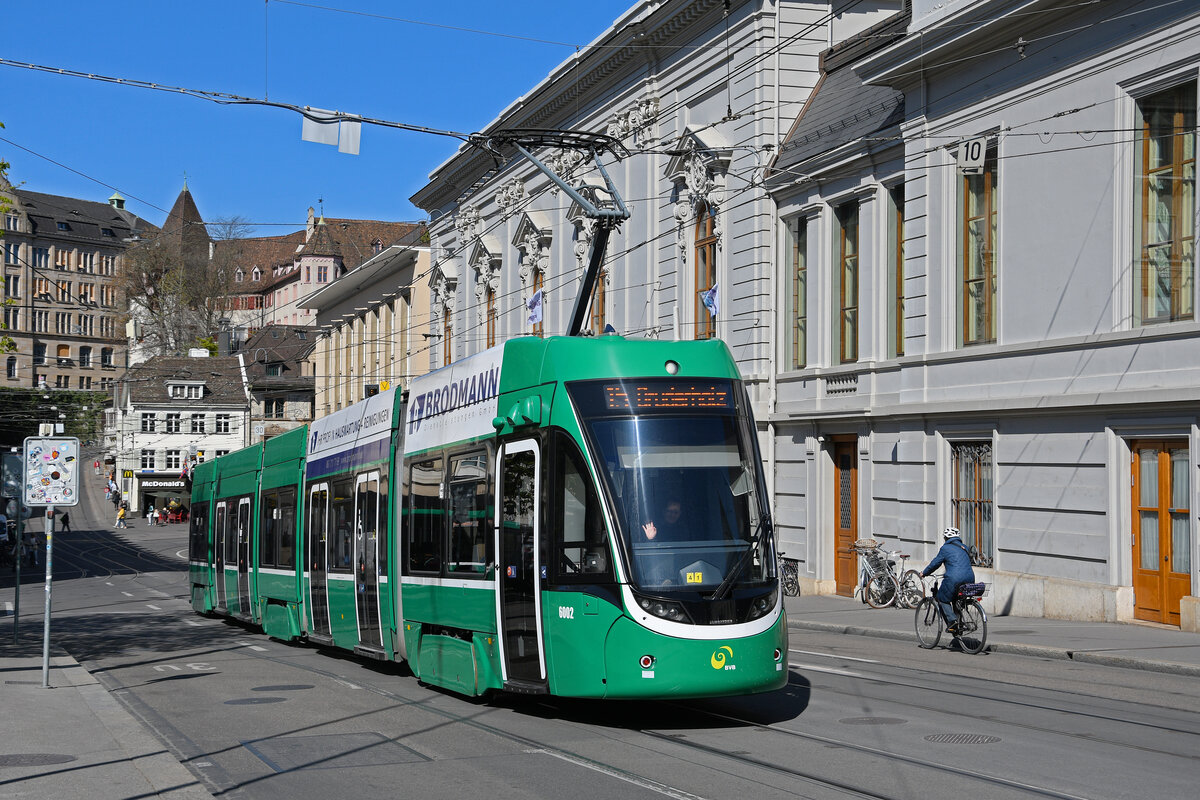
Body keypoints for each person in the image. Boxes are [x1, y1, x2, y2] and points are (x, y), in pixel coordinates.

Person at [920, 527, 976, 633]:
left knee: (941, 598)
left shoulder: (945, 548)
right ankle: (959, 624)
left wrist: (924, 573)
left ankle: (953, 621)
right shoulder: (965, 547)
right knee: (956, 599)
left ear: (946, 538)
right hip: (970, 578)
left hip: (954, 578)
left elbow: (935, 563)